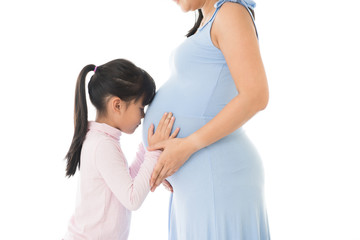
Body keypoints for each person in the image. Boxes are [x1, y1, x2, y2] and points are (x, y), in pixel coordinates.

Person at [142, 0, 270, 239]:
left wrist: (187, 146)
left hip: (219, 175)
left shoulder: (230, 12)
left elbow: (256, 96)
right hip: (201, 178)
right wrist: (166, 162)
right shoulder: (208, 20)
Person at [63, 59, 179, 240]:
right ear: (117, 105)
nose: (143, 116)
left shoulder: (100, 139)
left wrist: (148, 147)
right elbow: (132, 199)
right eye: (141, 107)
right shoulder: (102, 145)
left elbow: (125, 182)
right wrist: (153, 152)